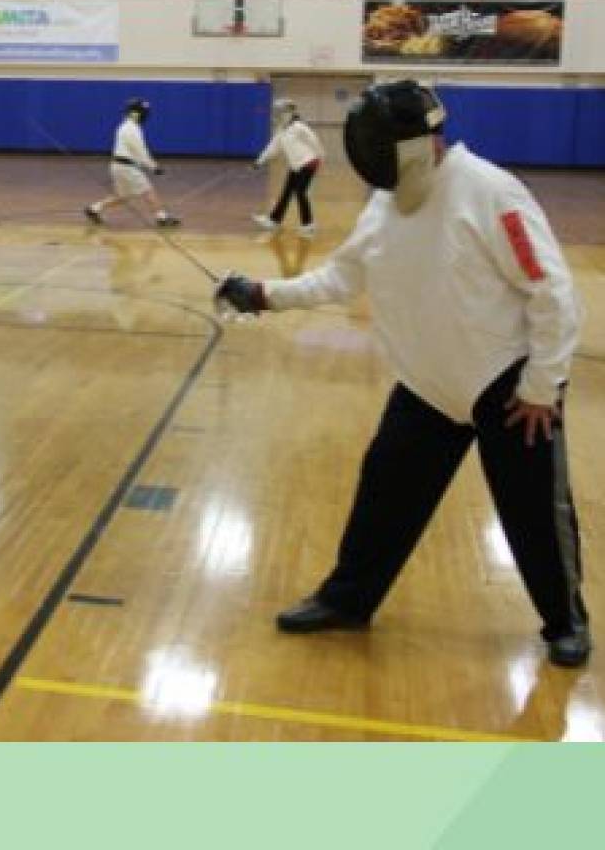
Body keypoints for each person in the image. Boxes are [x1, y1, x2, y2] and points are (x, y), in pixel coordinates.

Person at [216, 79, 590, 668]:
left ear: (416, 142)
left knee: (534, 512)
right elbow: (340, 278)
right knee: (384, 496)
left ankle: (565, 621)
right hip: (427, 385)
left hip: (510, 387)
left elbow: (551, 291)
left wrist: (542, 386)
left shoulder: (490, 191)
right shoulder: (384, 205)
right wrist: (263, 294)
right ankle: (349, 600)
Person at [84, 98, 180, 227]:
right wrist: (154, 167)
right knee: (148, 190)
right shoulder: (132, 129)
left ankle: (94, 209)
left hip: (118, 166)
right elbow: (140, 151)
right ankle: (162, 218)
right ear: (137, 113)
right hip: (126, 167)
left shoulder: (126, 126)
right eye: (144, 113)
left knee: (123, 196)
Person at [251, 98, 325, 237]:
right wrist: (259, 161)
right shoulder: (281, 130)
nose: (277, 115)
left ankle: (308, 225)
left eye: (280, 112)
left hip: (309, 162)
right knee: (286, 193)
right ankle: (274, 221)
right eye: (276, 112)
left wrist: (320, 158)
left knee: (300, 192)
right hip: (296, 165)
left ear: (289, 113)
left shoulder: (299, 127)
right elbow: (273, 148)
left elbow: (314, 141)